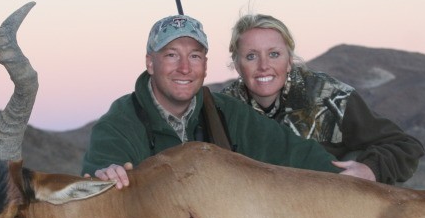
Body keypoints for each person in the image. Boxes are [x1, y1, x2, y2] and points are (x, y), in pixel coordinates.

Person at [82, 13, 365, 187]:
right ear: (150, 63)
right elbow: (99, 177)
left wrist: (346, 178)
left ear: (205, 65)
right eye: (171, 55)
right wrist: (106, 176)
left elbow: (292, 151)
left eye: (194, 56)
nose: (184, 68)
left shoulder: (226, 112)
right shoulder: (120, 123)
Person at [222, 13, 424, 185]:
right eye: (251, 56)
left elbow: (405, 146)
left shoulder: (330, 98)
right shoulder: (223, 109)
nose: (264, 65)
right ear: (237, 65)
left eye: (274, 54)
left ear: (290, 61)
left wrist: (370, 170)